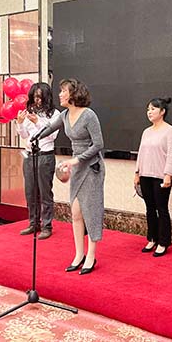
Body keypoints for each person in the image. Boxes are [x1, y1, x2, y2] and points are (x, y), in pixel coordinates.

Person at [50, 78, 105, 274]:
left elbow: (98, 144)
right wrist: (35, 135)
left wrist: (77, 160)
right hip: (77, 167)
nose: (60, 94)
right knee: (75, 213)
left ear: (73, 94)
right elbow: (49, 128)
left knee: (90, 211)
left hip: (91, 167)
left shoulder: (89, 115)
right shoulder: (64, 115)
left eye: (63, 91)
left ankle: (91, 255)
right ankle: (79, 254)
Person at [134, 97, 172, 256]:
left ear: (162, 111)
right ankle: (152, 239)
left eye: (153, 109)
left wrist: (168, 175)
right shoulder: (146, 132)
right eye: (148, 109)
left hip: (161, 176)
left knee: (162, 208)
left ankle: (163, 242)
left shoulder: (170, 131)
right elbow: (141, 153)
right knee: (149, 208)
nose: (149, 112)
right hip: (145, 175)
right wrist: (137, 173)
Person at [15, 82, 58, 240]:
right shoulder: (30, 112)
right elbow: (25, 135)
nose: (36, 100)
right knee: (30, 192)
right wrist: (20, 123)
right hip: (29, 155)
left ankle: (47, 226)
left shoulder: (55, 114)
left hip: (45, 156)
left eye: (39, 97)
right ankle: (33, 223)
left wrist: (37, 122)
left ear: (47, 97)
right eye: (34, 97)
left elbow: (52, 135)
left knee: (45, 193)